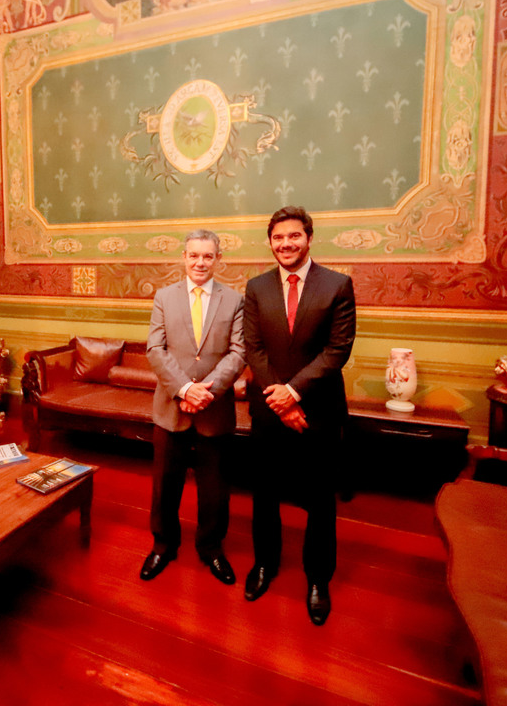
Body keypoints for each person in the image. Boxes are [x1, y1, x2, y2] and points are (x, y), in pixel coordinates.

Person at [242, 206, 356, 625]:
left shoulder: (337, 285)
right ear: (270, 242)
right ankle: (264, 564)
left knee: (320, 499)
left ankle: (318, 578)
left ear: (309, 238)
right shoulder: (256, 287)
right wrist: (279, 399)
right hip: (269, 409)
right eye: (278, 237)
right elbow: (253, 348)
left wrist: (293, 394)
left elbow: (337, 350)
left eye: (293, 236)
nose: (285, 244)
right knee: (264, 494)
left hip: (318, 410)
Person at [141, 229, 245, 585]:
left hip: (214, 410)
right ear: (184, 257)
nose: (200, 262)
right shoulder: (164, 297)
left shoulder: (235, 300)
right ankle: (163, 545)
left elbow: (239, 352)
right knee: (164, 486)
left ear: (218, 259)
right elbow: (155, 349)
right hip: (171, 407)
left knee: (215, 489)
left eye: (208, 256)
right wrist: (185, 389)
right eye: (194, 255)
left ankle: (211, 548)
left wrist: (205, 392)